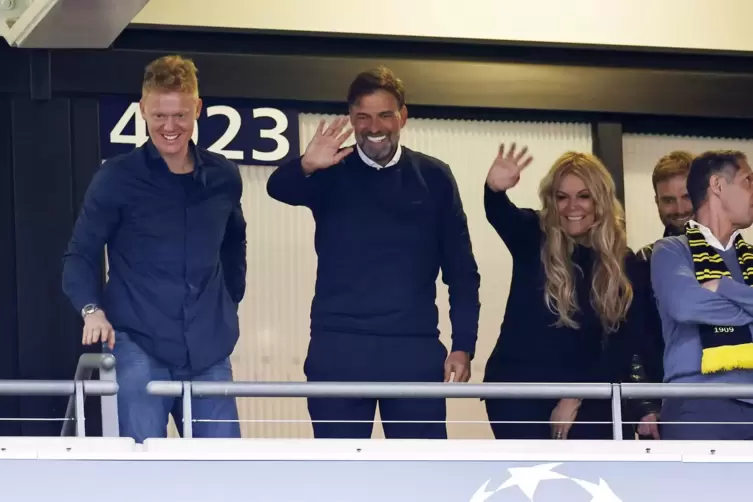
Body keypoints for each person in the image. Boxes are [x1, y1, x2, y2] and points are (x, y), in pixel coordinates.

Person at [266, 66, 480, 439]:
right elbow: (277, 189)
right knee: (341, 478)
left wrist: (464, 345)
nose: (374, 126)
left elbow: (461, 271)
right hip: (339, 348)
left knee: (420, 478)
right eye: (362, 116)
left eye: (384, 114)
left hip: (413, 350)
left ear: (403, 117)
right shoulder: (331, 171)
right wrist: (306, 164)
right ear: (351, 118)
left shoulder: (434, 177)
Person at [62, 55, 247, 442]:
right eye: (159, 115)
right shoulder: (116, 178)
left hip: (209, 348)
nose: (169, 126)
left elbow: (234, 241)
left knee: (224, 469)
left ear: (197, 108)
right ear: (143, 109)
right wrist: (91, 310)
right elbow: (80, 253)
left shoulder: (224, 177)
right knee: (141, 467)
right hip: (138, 345)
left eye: (180, 115)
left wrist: (229, 300)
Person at [482, 144, 648, 440]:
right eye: (562, 197)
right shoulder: (533, 235)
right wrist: (493, 190)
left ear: (601, 200)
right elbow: (501, 214)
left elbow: (622, 343)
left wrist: (575, 397)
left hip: (588, 392)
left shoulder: (624, 263)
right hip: (518, 391)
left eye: (584, 196)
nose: (573, 207)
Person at [652, 150, 753, 440]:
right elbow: (685, 305)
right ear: (718, 186)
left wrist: (723, 286)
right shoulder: (671, 250)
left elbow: (698, 303)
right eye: (748, 180)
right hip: (697, 403)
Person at [631, 151, 695, 440]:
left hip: (733, 401)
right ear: (656, 202)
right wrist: (645, 405)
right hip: (664, 409)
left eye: (686, 196)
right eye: (668, 200)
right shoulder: (643, 261)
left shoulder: (736, 258)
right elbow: (629, 339)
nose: (679, 208)